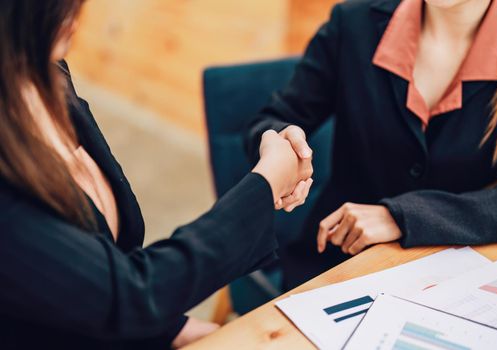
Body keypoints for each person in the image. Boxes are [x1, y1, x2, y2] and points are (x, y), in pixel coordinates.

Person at [0, 1, 313, 349]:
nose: (78, 11)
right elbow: (129, 292)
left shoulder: (42, 70)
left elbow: (85, 271)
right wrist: (265, 186)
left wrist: (170, 329)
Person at [246, 0, 497, 289]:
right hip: (335, 263)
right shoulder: (354, 22)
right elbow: (274, 120)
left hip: (450, 274)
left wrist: (404, 217)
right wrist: (280, 142)